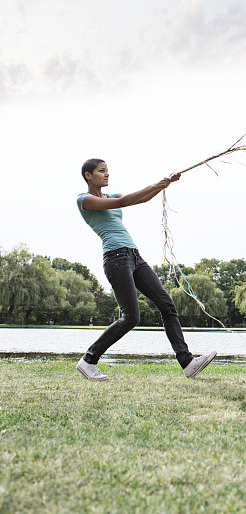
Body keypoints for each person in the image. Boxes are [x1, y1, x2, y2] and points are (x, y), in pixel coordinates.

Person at [76, 158, 217, 381]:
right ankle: (88, 360)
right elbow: (126, 201)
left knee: (167, 305)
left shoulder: (111, 195)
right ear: (88, 175)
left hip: (134, 256)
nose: (107, 174)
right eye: (101, 171)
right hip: (115, 258)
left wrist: (165, 184)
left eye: (107, 170)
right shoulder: (84, 200)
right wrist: (157, 184)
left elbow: (141, 199)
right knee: (131, 317)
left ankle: (187, 362)